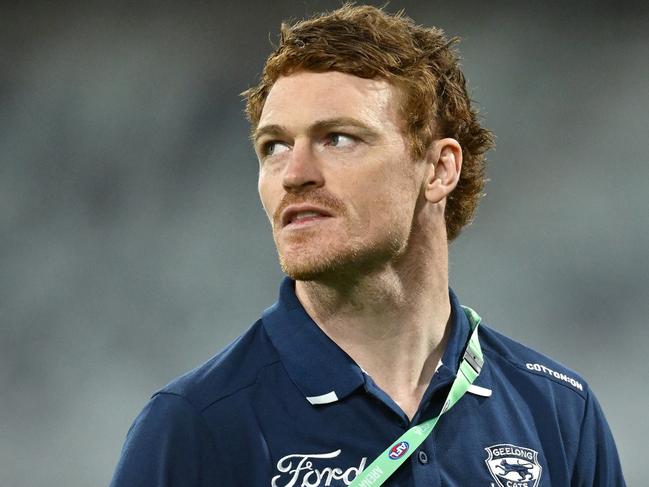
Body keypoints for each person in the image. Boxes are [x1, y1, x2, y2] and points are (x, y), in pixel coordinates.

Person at [110, 4, 625, 486]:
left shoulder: (558, 413)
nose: (295, 174)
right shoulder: (195, 425)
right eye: (275, 146)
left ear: (439, 168)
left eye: (338, 138)